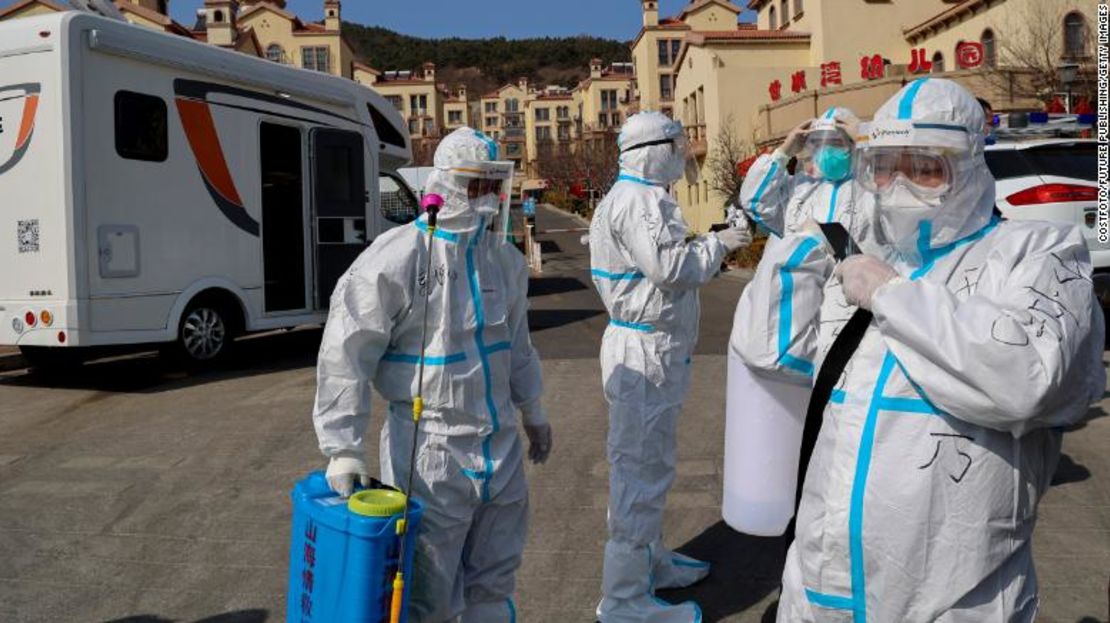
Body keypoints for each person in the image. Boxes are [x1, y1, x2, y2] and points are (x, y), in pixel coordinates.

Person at [731, 78, 1104, 622]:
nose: (898, 184)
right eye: (883, 167)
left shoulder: (1037, 253)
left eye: (926, 167)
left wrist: (890, 296)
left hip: (950, 599)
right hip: (818, 587)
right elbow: (771, 356)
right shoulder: (868, 259)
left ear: (971, 168)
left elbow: (1025, 380)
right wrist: (790, 264)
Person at [312, 127, 552, 622]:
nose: (486, 198)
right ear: (445, 182)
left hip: (500, 442)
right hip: (431, 448)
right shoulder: (399, 256)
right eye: (474, 185)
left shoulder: (503, 260)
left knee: (496, 576)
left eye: (493, 185)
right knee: (429, 590)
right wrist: (342, 447)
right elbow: (346, 350)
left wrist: (535, 411)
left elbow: (519, 348)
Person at [590, 111, 752, 622]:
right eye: (677, 145)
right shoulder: (639, 202)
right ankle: (623, 602)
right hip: (644, 352)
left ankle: (651, 564)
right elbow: (672, 268)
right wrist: (722, 243)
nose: (683, 154)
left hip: (652, 349)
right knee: (638, 475)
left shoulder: (638, 198)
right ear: (654, 149)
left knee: (650, 468)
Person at [738, 107, 865, 238]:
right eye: (819, 143)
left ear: (854, 146)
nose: (826, 150)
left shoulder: (869, 190)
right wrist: (783, 153)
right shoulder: (801, 189)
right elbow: (753, 200)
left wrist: (868, 142)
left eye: (836, 142)